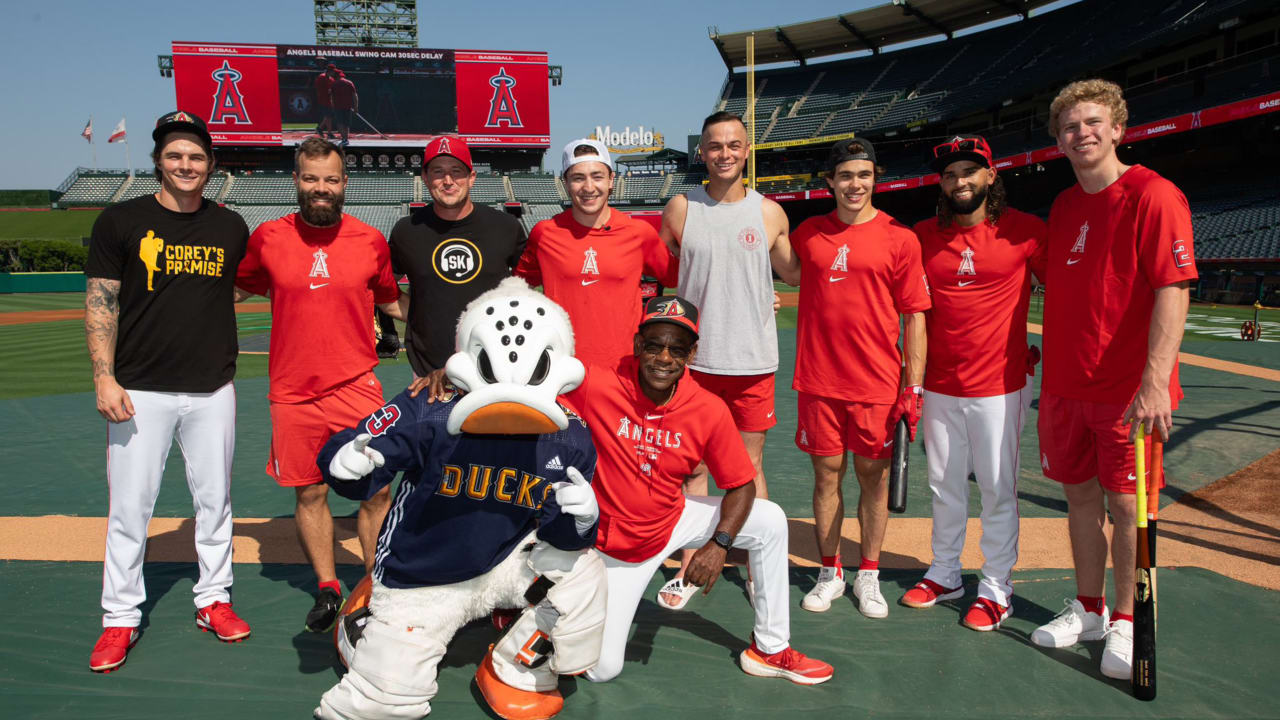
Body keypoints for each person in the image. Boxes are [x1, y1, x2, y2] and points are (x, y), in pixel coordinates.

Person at [314, 278, 605, 720]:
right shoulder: (429, 404)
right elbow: (359, 459)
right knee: (383, 704)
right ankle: (367, 623)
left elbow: (563, 537)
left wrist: (581, 521)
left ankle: (513, 669)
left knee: (584, 576)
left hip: (504, 564)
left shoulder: (572, 434)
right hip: (425, 574)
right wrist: (346, 461)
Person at [569, 295, 833, 686]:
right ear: (638, 344)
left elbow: (741, 484)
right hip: (613, 547)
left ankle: (770, 649)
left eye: (677, 349)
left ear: (691, 354)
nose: (664, 358)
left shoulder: (706, 408)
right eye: (655, 345)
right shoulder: (597, 383)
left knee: (770, 519)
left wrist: (720, 543)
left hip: (669, 518)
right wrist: (446, 376)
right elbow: (526, 380)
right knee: (602, 669)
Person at [1030, 79, 1196, 680]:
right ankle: (1092, 607)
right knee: (1078, 499)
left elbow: (1173, 290)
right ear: (1059, 140)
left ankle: (1126, 619)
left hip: (1128, 393)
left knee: (1128, 508)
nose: (1083, 134)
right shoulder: (1066, 205)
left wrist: (1156, 381)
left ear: (1119, 128)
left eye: (1093, 122)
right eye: (1070, 127)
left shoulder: (1153, 195)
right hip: (1067, 387)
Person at [84, 110, 251, 673]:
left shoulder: (231, 227)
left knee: (215, 503)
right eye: (175, 155)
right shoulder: (120, 220)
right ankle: (120, 618)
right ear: (159, 160)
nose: (186, 164)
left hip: (212, 389)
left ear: (211, 164)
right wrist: (103, 375)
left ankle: (214, 600)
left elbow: (239, 289)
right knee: (130, 508)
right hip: (139, 388)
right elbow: (101, 299)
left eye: (196, 156)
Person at [235, 136, 405, 634]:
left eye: (330, 179)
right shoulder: (267, 237)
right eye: (311, 178)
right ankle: (329, 587)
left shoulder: (370, 241)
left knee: (375, 494)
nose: (321, 188)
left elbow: (393, 303)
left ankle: (377, 583)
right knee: (309, 494)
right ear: (296, 180)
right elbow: (236, 290)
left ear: (345, 183)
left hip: (356, 386)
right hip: (293, 394)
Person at [655, 111, 798, 609]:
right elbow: (661, 269)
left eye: (733, 145)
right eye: (715, 145)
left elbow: (793, 274)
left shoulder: (769, 212)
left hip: (753, 360)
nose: (724, 153)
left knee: (749, 467)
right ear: (703, 152)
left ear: (746, 149)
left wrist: (766, 294)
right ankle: (690, 562)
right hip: (694, 362)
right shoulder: (679, 208)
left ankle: (758, 564)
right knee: (690, 465)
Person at [906, 135, 1047, 631]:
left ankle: (996, 587)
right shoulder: (923, 234)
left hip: (1000, 385)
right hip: (939, 382)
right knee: (943, 486)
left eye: (969, 171)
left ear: (990, 176)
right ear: (941, 184)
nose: (959, 181)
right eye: (949, 175)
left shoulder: (1026, 231)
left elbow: (1072, 287)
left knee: (997, 489)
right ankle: (945, 572)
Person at [788, 138, 930, 619]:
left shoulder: (900, 238)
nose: (855, 184)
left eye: (864, 175)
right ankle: (831, 571)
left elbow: (914, 316)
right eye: (846, 175)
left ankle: (867, 572)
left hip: (876, 383)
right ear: (830, 181)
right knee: (826, 477)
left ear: (876, 179)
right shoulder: (808, 233)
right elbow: (782, 271)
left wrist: (914, 386)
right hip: (819, 381)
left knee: (874, 478)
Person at [515, 138, 677, 370]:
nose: (589, 187)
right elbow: (517, 288)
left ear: (611, 180)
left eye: (597, 176)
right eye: (578, 178)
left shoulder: (639, 233)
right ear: (565, 183)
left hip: (623, 368)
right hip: (561, 369)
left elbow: (674, 277)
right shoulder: (544, 233)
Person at [390, 135, 526, 396]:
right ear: (426, 178)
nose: (448, 181)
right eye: (438, 172)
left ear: (471, 177)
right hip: (429, 375)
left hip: (499, 368)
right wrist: (418, 315)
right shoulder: (407, 231)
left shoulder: (505, 227)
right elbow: (381, 289)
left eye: (456, 172)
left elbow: (529, 290)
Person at [329, 68, 357, 147]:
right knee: (346, 123)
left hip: (338, 107)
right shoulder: (349, 83)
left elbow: (331, 97)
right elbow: (354, 95)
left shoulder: (334, 84)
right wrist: (356, 106)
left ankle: (344, 138)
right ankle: (346, 139)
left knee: (340, 123)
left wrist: (332, 105)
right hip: (347, 106)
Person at [314, 61, 336, 139]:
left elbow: (332, 90)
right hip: (323, 100)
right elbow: (318, 88)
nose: (334, 73)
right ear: (329, 71)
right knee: (328, 115)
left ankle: (326, 131)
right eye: (333, 71)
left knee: (329, 116)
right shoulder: (321, 77)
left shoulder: (332, 79)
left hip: (329, 100)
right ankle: (322, 129)